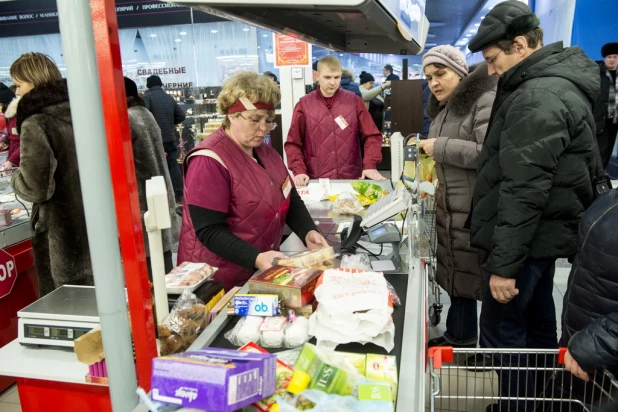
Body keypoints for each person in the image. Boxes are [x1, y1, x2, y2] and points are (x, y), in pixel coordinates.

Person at [467, 1, 601, 410]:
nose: (490, 71)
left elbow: (524, 187)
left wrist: (504, 267)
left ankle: (517, 407)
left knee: (503, 334)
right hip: (542, 240)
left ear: (521, 45)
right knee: (539, 326)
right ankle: (541, 402)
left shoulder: (537, 95)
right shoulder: (554, 83)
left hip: (525, 244)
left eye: (493, 60)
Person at [177, 71, 327, 291]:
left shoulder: (267, 153)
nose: (263, 129)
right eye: (255, 120)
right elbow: (209, 230)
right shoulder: (209, 160)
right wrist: (257, 258)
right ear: (231, 115)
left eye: (269, 121)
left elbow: (289, 197)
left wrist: (307, 230)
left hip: (254, 270)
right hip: (216, 280)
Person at [420, 46, 497, 356]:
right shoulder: (445, 107)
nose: (434, 83)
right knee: (458, 274)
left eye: (441, 74)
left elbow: (487, 153)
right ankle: (460, 336)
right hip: (451, 205)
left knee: (478, 278)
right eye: (429, 77)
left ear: (461, 73)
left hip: (474, 207)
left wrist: (438, 146)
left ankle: (485, 352)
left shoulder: (483, 101)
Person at [10, 53, 93, 297]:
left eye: (18, 85)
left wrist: (16, 179)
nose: (15, 92)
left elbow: (35, 187)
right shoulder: (81, 112)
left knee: (68, 310)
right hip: (96, 227)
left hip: (62, 234)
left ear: (34, 82)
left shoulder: (36, 122)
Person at [285, 56, 385, 185]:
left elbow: (372, 135)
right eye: (327, 77)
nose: (332, 82)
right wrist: (299, 170)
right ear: (317, 75)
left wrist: (370, 164)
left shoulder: (354, 101)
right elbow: (293, 143)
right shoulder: (304, 105)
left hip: (351, 176)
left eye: (336, 77)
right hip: (316, 178)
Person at [124, 77, 180, 278]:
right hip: (157, 198)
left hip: (141, 206)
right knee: (161, 270)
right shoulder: (144, 113)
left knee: (148, 277)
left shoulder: (126, 119)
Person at [142, 75, 186, 204]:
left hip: (156, 139)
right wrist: (170, 124)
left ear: (148, 85)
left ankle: (162, 197)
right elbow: (181, 116)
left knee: (156, 166)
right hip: (170, 138)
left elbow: (144, 115)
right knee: (173, 165)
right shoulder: (169, 97)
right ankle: (179, 194)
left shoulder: (147, 97)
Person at [594, 42, 618, 169]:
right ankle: (596, 179)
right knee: (599, 152)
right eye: (609, 57)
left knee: (609, 151)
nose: (612, 60)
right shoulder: (597, 73)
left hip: (615, 121)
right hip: (601, 119)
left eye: (615, 56)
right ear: (604, 58)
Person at [0, 83, 20, 170]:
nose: (17, 92)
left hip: (22, 163)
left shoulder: (17, 115)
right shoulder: (10, 116)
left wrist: (12, 161)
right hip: (14, 163)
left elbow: (27, 142)